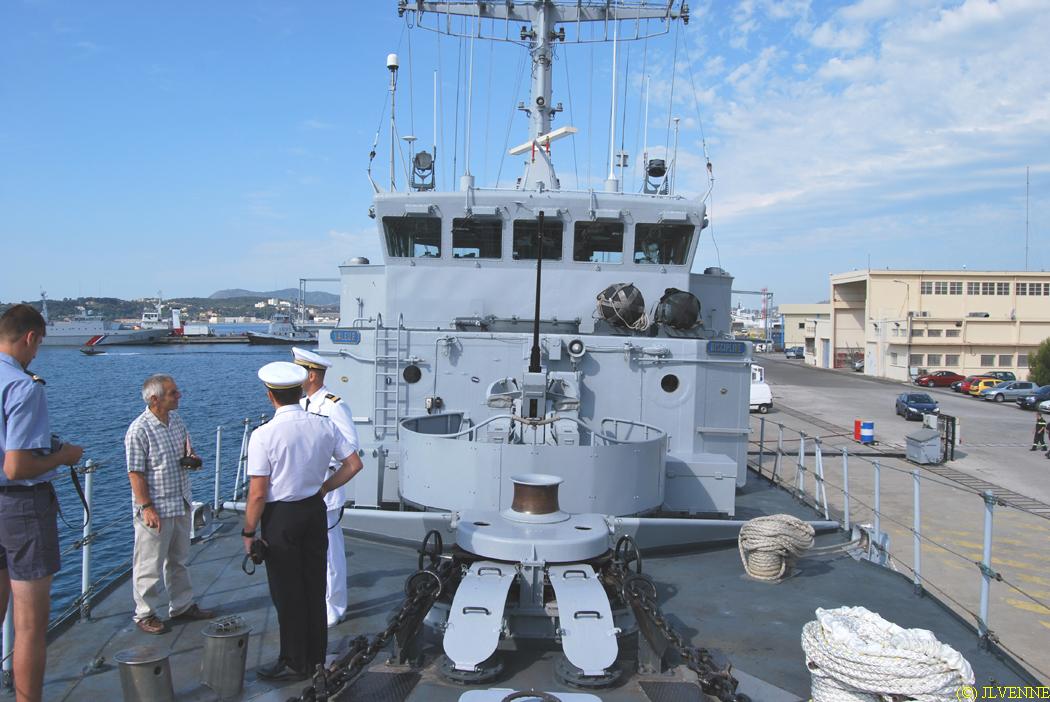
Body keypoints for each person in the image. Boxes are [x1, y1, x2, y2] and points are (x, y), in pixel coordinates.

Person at [242, 362, 363, 681]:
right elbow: (353, 464)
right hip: (314, 510)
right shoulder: (324, 425)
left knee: (287, 590)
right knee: (314, 584)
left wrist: (248, 531)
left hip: (281, 517)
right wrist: (325, 487)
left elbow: (257, 493)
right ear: (299, 392)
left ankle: (294, 660)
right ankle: (315, 657)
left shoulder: (263, 435)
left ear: (270, 396)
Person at [0, 304, 83, 702]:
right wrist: (64, 456)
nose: (36, 354)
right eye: (39, 345)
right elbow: (17, 467)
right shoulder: (23, 387)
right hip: (21, 510)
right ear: (30, 337)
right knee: (30, 626)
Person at [125, 374, 214, 634]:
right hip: (157, 508)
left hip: (180, 501)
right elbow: (135, 473)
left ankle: (182, 605)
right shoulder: (139, 430)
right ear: (155, 399)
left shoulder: (176, 420)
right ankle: (145, 614)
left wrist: (192, 458)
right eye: (173, 393)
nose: (179, 395)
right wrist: (146, 508)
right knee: (149, 565)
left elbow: (186, 451)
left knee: (179, 560)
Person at [292, 346, 360, 627]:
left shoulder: (333, 406)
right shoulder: (303, 404)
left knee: (330, 552)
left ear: (311, 375)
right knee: (308, 549)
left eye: (298, 370)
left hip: (324, 488)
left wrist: (320, 460)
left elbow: (351, 447)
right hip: (302, 487)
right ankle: (317, 598)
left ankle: (334, 606)